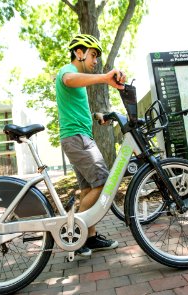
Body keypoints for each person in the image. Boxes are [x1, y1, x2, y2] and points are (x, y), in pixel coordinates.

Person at [55, 34, 126, 256]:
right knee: (105, 182)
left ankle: (90, 237)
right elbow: (68, 79)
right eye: (93, 55)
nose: (95, 61)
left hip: (78, 137)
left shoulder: (78, 79)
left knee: (88, 189)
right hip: (77, 138)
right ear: (79, 52)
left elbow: (75, 106)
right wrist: (105, 78)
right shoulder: (68, 70)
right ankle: (76, 235)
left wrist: (98, 116)